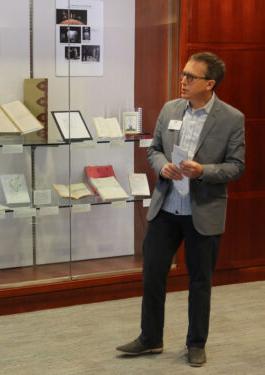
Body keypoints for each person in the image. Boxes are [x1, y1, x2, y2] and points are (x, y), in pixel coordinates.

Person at [116, 52, 245, 367]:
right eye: (183, 74)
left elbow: (236, 166)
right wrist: (162, 169)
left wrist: (202, 171)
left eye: (191, 76)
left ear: (209, 84)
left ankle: (196, 344)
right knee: (153, 275)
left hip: (203, 212)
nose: (183, 80)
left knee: (200, 281)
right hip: (166, 209)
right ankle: (150, 338)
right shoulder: (170, 109)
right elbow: (155, 149)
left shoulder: (231, 118)